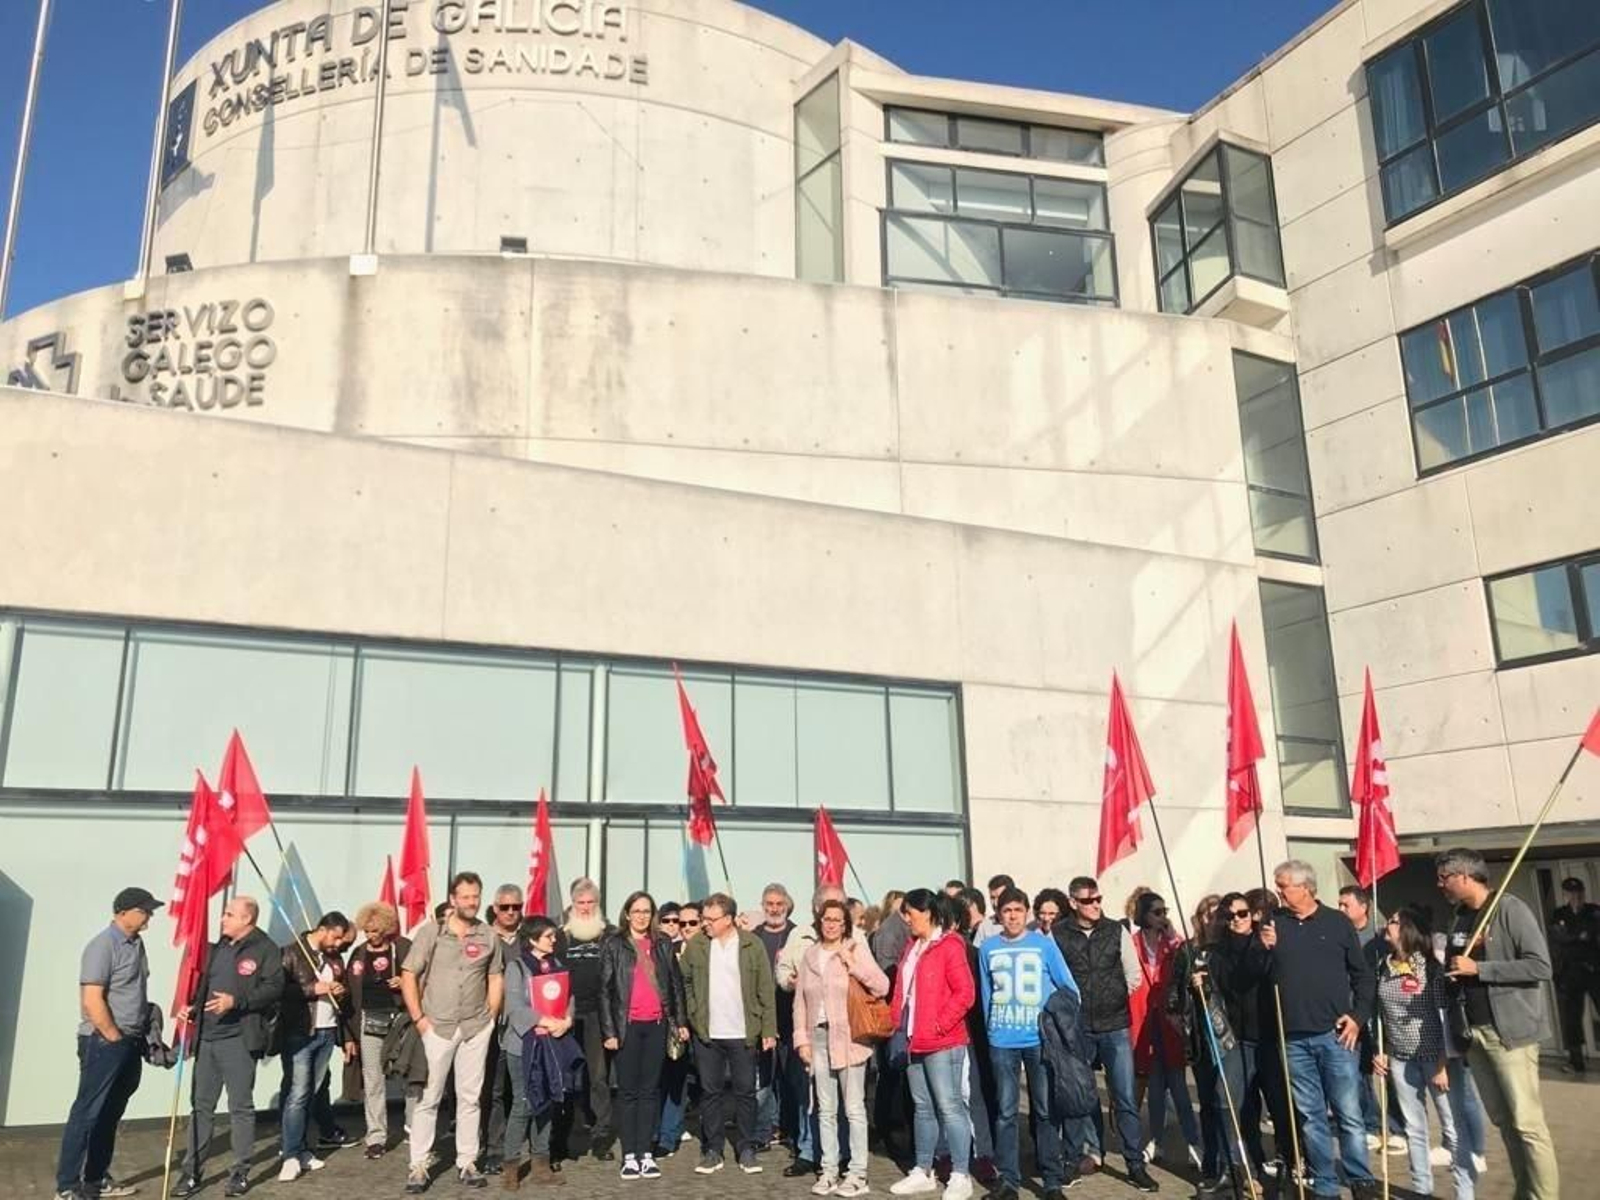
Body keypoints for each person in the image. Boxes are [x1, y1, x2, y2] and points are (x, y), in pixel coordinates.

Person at [1437, 848, 1558, 1200]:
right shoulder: (1458, 917)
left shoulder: (1509, 909)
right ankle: (1525, 1191)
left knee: (1528, 1125)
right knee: (1505, 1123)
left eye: (1445, 877)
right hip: (1473, 1035)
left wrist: (1482, 969)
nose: (1440, 884)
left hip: (1509, 1035)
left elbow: (1540, 967)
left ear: (1464, 876)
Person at [1253, 860, 1378, 1200]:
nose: (1279, 893)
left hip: (1335, 1034)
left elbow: (1363, 975)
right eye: (1278, 887)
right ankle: (1323, 1182)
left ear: (1306, 887)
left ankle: (1360, 1178)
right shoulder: (1274, 924)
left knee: (1348, 1112)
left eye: (1284, 887)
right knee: (1310, 1116)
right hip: (1292, 1037)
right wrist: (1266, 950)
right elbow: (1260, 977)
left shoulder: (1337, 923)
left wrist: (1358, 1016)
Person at [173, 896, 285, 1199]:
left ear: (247, 919)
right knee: (201, 1108)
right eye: (225, 913)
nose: (223, 919)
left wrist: (238, 1002)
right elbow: (203, 987)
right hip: (207, 1038)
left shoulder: (265, 949)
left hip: (239, 1039)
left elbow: (275, 988)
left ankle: (240, 1173)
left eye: (229, 914)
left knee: (240, 1108)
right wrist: (192, 1008)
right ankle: (191, 1173)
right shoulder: (218, 947)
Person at [401, 871, 506, 1194]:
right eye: (466, 897)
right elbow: (409, 973)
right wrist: (419, 1018)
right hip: (438, 1026)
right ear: (453, 899)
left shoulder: (488, 936)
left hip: (475, 1026)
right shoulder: (432, 933)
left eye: (476, 896)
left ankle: (467, 1161)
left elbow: (495, 976)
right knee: (428, 1097)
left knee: (470, 1097)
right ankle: (418, 1164)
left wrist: (491, 1014)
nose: (472, 902)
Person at [55, 886, 161, 1200]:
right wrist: (113, 1035)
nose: (149, 917)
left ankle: (96, 1179)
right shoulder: (103, 946)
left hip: (131, 1041)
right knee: (87, 1113)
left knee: (110, 1114)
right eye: (145, 911)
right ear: (123, 911)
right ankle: (67, 1186)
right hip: (104, 1043)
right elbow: (91, 999)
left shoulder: (136, 944)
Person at [1052, 876, 1157, 1192]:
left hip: (1114, 1027)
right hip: (1078, 1028)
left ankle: (1134, 1164)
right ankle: (1077, 1159)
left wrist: (1112, 998)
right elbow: (1055, 977)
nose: (1096, 905)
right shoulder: (1058, 935)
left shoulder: (1115, 930)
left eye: (1098, 899)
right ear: (1073, 903)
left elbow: (1133, 975)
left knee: (1124, 1097)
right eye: (1088, 900)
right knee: (1078, 1098)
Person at [979, 886, 1079, 1200]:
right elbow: (985, 994)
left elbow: (1069, 988)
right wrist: (990, 1030)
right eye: (1007, 910)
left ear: (1027, 913)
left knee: (1045, 1110)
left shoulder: (1043, 946)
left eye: (1018, 910)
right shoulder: (988, 948)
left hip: (1038, 1040)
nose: (1012, 916)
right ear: (999, 914)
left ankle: (1051, 1180)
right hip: (1002, 1040)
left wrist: (1056, 1023)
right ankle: (1008, 1180)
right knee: (1006, 1112)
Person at [1370, 906, 1472, 1199]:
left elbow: (1441, 1015)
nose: (1386, 925)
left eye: (1392, 921)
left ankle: (1464, 1191)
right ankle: (1421, 1189)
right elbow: (1381, 1014)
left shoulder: (1429, 967)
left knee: (1452, 1127)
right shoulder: (1384, 965)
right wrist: (1382, 1050)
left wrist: (1442, 1063)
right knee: (1415, 1127)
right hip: (1401, 1057)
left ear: (1407, 929)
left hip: (1434, 1056)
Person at [793, 897, 891, 1198]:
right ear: (819, 922)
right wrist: (802, 1040)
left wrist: (854, 966)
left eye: (837, 919)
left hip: (850, 1038)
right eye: (826, 919)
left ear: (845, 923)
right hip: (819, 1039)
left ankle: (858, 1173)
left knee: (854, 1108)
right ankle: (829, 1170)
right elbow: (800, 1003)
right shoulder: (810, 955)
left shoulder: (854, 949)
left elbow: (882, 986)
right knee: (825, 1109)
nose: (831, 924)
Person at [680, 892, 777, 1175]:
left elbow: (765, 989)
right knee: (710, 1093)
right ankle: (713, 1149)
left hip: (743, 1031)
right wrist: (692, 1011)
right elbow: (684, 980)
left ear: (729, 919)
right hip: (707, 1033)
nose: (705, 924)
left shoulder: (751, 944)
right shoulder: (697, 945)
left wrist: (768, 1029)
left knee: (745, 1091)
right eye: (704, 918)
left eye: (711, 919)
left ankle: (746, 1147)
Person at [888, 889, 976, 1200]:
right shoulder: (912, 946)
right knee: (922, 1108)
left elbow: (965, 992)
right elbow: (902, 987)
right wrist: (895, 1021)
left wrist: (940, 1024)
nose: (906, 919)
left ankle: (961, 1174)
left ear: (927, 913)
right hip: (913, 1039)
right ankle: (922, 1170)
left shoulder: (950, 946)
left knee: (949, 1107)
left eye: (909, 912)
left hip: (943, 1041)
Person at [599, 891, 689, 1180]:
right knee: (627, 1092)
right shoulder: (614, 944)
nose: (641, 916)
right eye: (636, 910)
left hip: (657, 1025)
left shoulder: (662, 944)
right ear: (626, 913)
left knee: (650, 1090)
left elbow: (675, 985)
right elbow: (605, 991)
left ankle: (646, 1153)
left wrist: (680, 1021)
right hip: (627, 1026)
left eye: (646, 911)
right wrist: (610, 1031)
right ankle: (629, 1155)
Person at [277, 912, 356, 1182]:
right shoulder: (290, 953)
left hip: (326, 1032)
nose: (338, 944)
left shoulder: (334, 958)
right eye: (335, 937)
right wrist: (314, 989)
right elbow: (278, 991)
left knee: (311, 1092)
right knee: (297, 1094)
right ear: (323, 930)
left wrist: (340, 991)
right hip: (300, 1033)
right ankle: (289, 1154)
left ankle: (302, 1149)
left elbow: (342, 994)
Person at [1129, 892, 1201, 1172]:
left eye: (1164, 911)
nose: (1162, 916)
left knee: (1180, 1089)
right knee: (1155, 1089)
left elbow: (1185, 962)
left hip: (1169, 1021)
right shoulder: (1132, 943)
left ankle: (1193, 1141)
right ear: (1144, 914)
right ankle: (1156, 1140)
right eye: (1157, 912)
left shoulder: (1172, 943)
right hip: (1144, 1020)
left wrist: (1171, 934)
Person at [502, 915, 575, 1188]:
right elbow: (515, 1008)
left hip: (551, 1043)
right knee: (523, 1103)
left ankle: (541, 1162)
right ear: (533, 939)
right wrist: (545, 1021)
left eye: (554, 936)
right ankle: (510, 1164)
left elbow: (568, 998)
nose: (554, 940)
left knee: (547, 1102)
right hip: (523, 1046)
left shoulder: (555, 964)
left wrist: (566, 1021)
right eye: (549, 936)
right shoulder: (517, 968)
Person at [344, 901, 417, 1159]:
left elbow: (422, 974)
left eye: (375, 931)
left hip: (400, 1019)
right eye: (367, 930)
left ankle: (413, 1127)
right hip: (369, 1019)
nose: (370, 935)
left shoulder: (404, 947)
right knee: (373, 1078)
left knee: (410, 1073)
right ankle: (376, 1136)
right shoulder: (359, 953)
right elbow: (349, 987)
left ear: (386, 928)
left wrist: (406, 981)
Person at [1339, 885, 1405, 1154]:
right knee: (1359, 1073)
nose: (1341, 909)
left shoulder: (1379, 936)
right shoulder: (1339, 933)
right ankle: (1371, 1124)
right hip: (1352, 1012)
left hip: (1379, 1011)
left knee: (1387, 1070)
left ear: (1363, 906)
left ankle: (1398, 1128)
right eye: (1340, 905)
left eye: (1346, 905)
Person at [560, 877, 615, 1161]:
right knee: (569, 1078)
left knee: (598, 1078)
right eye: (580, 902)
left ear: (597, 904)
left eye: (590, 902)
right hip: (566, 1016)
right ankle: (567, 1136)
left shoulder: (610, 935)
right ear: (572, 904)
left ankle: (601, 1138)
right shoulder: (560, 936)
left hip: (597, 1015)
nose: (585, 907)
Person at [753, 884, 802, 1164]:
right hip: (762, 1020)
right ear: (763, 905)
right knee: (763, 1080)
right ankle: (763, 1131)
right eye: (769, 903)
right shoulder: (754, 936)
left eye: (779, 903)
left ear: (787, 905)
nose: (774, 908)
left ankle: (793, 1133)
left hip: (791, 1017)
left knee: (792, 1079)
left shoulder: (797, 934)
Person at [482, 883, 527, 1173]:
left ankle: (531, 1147)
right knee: (494, 1090)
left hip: (524, 1026)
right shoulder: (484, 937)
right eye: (505, 907)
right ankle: (494, 1149)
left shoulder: (529, 938)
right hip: (492, 1026)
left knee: (523, 1090)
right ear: (495, 909)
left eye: (516, 907)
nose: (511, 912)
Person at [655, 902, 699, 1156]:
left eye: (689, 923)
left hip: (699, 1024)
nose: (681, 927)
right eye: (674, 922)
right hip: (672, 1024)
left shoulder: (704, 949)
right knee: (669, 1080)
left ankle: (674, 1132)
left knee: (695, 1083)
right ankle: (663, 1134)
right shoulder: (662, 949)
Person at [1548, 875, 1600, 1075]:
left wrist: (1572, 936)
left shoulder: (1593, 911)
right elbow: (1558, 937)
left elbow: (1592, 932)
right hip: (1570, 972)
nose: (1576, 896)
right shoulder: (1559, 913)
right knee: (1572, 1019)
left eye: (1579, 892)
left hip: (1593, 969)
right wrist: (1579, 936)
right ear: (1566, 894)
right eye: (1571, 893)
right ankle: (1576, 1061)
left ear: (1583, 893)